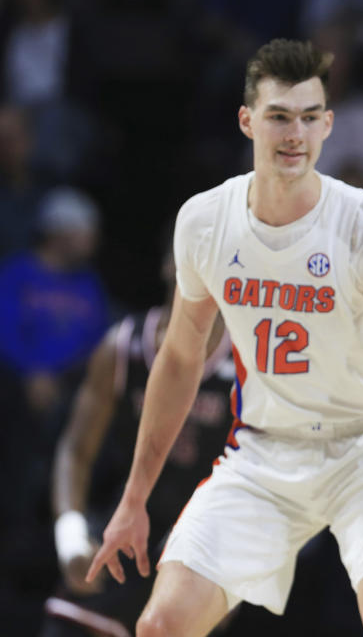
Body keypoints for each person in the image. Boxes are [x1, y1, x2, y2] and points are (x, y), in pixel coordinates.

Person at [85, 39, 363, 637]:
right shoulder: (206, 221)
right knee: (160, 626)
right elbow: (181, 357)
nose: (295, 134)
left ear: (329, 124)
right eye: (279, 116)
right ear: (247, 121)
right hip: (264, 450)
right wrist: (133, 500)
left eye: (310, 117)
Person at [43, 254, 233, 637]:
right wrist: (70, 531)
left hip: (201, 545)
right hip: (123, 529)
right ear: (168, 263)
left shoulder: (247, 366)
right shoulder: (124, 346)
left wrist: (233, 576)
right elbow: (75, 451)